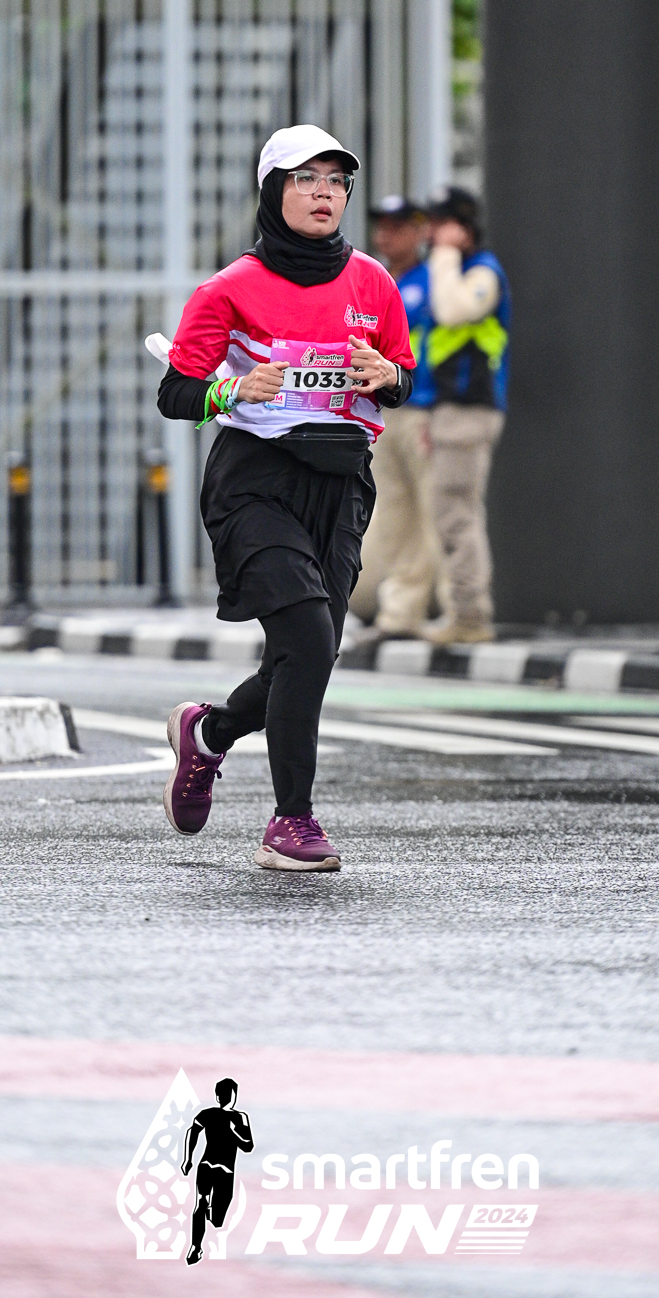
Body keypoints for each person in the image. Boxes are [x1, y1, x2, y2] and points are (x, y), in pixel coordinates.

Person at [155, 124, 415, 873]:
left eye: (336, 181)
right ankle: (291, 821)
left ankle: (209, 733)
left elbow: (402, 378)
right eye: (306, 179)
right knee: (303, 632)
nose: (323, 194)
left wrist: (386, 377)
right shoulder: (228, 289)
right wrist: (234, 389)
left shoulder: (373, 282)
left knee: (311, 650)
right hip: (256, 481)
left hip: (341, 483)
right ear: (274, 191)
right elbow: (176, 392)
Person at [423, 185, 510, 644]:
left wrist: (443, 256)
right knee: (450, 512)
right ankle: (465, 612)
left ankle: (471, 616)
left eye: (441, 224)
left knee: (457, 512)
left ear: (464, 228)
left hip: (470, 409)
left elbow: (452, 312)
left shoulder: (481, 274)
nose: (432, 233)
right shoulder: (460, 271)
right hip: (451, 409)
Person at [362, 195, 442, 635]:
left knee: (432, 513)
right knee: (392, 513)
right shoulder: (372, 280)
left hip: (422, 408)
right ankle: (396, 610)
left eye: (397, 226)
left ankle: (440, 608)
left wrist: (439, 409)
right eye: (382, 225)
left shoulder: (432, 281)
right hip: (383, 411)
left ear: (418, 231)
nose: (386, 234)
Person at [181, 1077, 253, 1264]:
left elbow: (248, 1146)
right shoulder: (210, 1114)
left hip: (220, 1170)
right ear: (218, 1096)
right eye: (224, 1094)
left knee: (216, 1218)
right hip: (211, 1166)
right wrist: (188, 1158)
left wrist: (232, 1132)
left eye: (229, 1094)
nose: (227, 1098)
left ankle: (208, 1215)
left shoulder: (239, 1117)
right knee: (201, 1202)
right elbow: (192, 1132)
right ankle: (196, 1246)